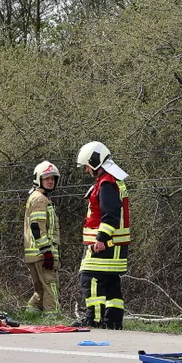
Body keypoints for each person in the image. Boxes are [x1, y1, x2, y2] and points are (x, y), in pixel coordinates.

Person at [75, 141, 130, 329]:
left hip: (107, 244)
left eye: (87, 166)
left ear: (94, 162)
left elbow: (111, 214)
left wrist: (101, 238)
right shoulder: (114, 180)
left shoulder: (106, 183)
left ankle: (94, 319)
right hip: (116, 245)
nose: (87, 170)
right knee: (110, 281)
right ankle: (113, 321)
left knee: (89, 278)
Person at [22, 161, 61, 313]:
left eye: (53, 178)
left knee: (40, 291)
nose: (50, 181)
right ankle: (53, 317)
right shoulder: (40, 199)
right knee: (51, 287)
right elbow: (37, 227)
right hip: (42, 253)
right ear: (38, 179)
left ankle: (29, 315)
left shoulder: (37, 197)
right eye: (46, 178)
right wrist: (47, 251)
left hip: (35, 254)